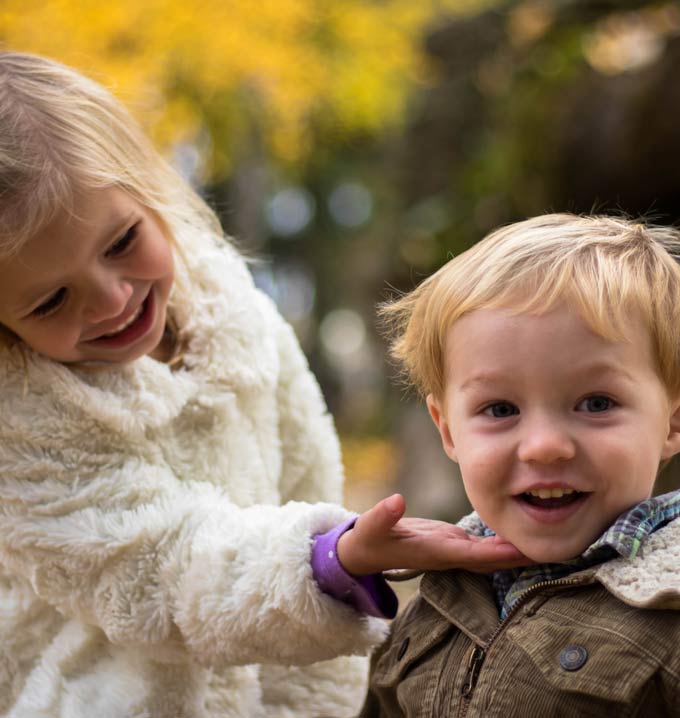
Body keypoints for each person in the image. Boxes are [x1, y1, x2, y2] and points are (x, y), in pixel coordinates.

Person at [0, 52, 528, 717]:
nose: (110, 299)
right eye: (50, 301)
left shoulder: (231, 311)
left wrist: (323, 673)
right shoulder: (19, 421)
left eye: (122, 241)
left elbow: (306, 471)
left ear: (146, 187)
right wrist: (328, 564)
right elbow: (154, 573)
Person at [356, 214, 680, 717]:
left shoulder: (670, 608)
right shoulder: (433, 603)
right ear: (448, 431)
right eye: (501, 410)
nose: (544, 447)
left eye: (596, 403)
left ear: (673, 424)